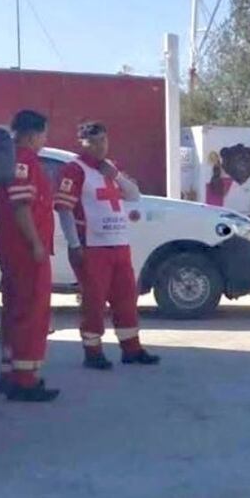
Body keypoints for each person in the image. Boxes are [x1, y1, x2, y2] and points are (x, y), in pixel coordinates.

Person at [53, 121, 161, 369]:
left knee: (126, 299)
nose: (100, 146)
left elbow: (134, 195)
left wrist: (116, 176)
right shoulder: (74, 169)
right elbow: (64, 209)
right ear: (82, 143)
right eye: (93, 142)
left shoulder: (112, 168)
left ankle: (131, 349)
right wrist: (73, 244)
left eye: (103, 140)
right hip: (92, 247)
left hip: (119, 244)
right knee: (94, 301)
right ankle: (93, 352)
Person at [0, 110, 59, 402]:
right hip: (25, 250)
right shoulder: (25, 161)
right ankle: (25, 379)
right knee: (32, 311)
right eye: (44, 134)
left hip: (12, 248)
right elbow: (21, 207)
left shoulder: (14, 159)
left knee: (15, 309)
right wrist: (35, 244)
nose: (45, 140)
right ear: (32, 135)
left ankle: (9, 373)